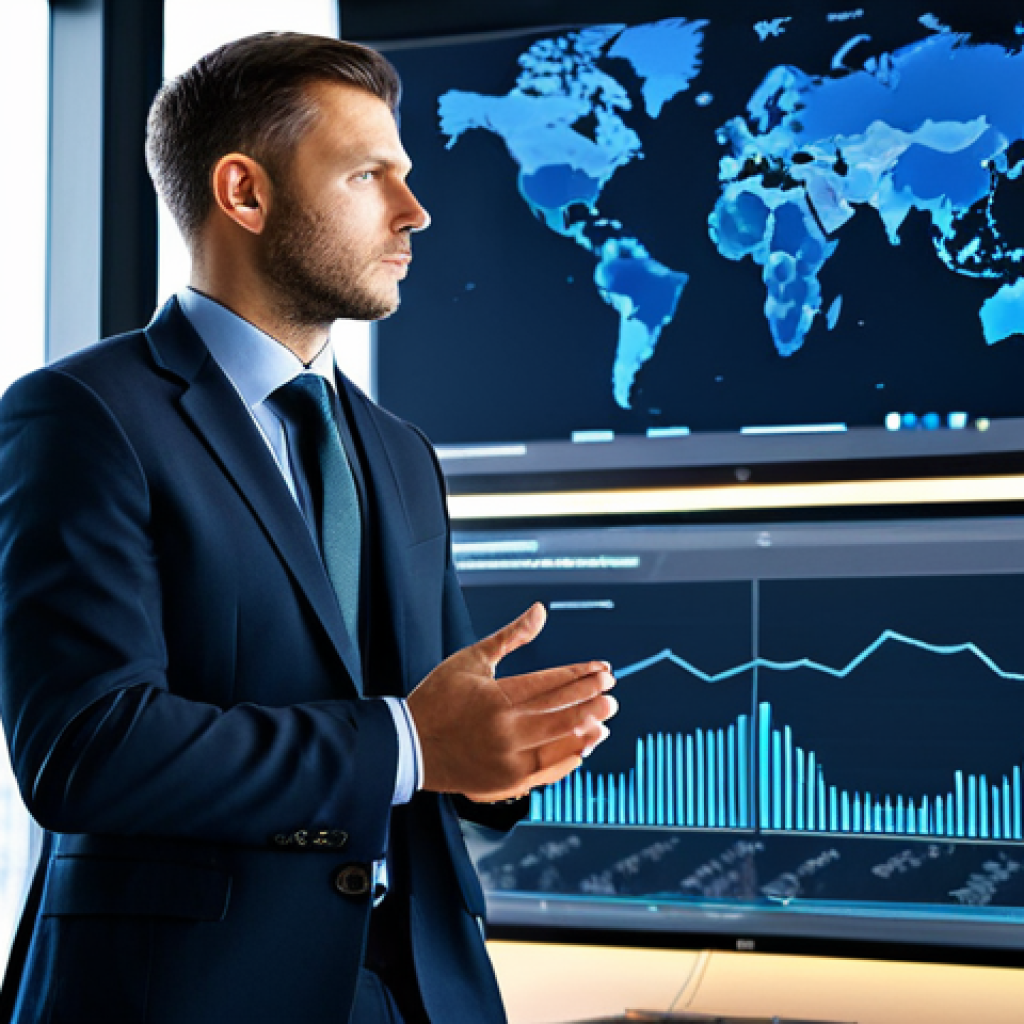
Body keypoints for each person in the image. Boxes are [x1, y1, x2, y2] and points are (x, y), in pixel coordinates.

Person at [0, 32, 617, 1024]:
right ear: (244, 193)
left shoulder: (400, 452)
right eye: (369, 175)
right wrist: (411, 744)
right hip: (192, 995)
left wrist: (494, 763)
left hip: (423, 989)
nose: (413, 211)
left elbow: (435, 718)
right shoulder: (83, 416)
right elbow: (87, 748)